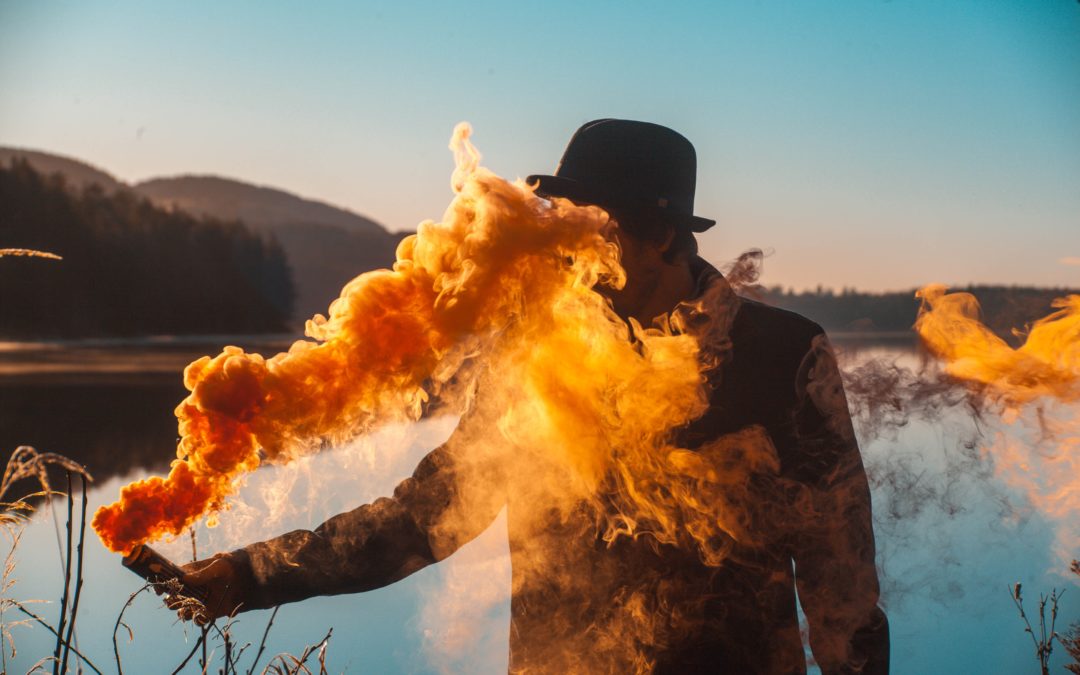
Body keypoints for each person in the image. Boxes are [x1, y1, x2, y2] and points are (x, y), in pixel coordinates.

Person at [176, 119, 889, 674]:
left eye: (589, 230)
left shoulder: (781, 353)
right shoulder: (533, 345)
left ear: (661, 235)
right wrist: (248, 575)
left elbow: (842, 574)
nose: (565, 253)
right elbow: (427, 515)